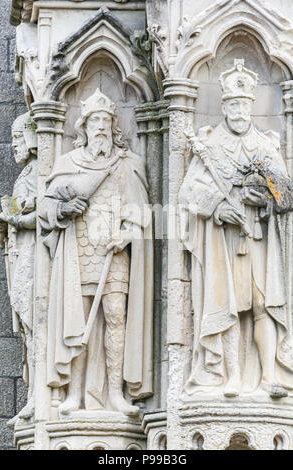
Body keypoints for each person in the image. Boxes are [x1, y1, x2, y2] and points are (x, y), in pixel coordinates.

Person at [179, 59, 293, 399]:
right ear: (225, 107)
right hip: (223, 240)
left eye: (245, 104)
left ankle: (268, 376)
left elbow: (285, 196)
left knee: (261, 303)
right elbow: (188, 192)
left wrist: (264, 198)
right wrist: (217, 207)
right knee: (227, 304)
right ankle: (231, 376)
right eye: (233, 104)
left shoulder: (265, 146)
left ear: (251, 105)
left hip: (259, 238)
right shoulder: (210, 147)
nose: (239, 110)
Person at [40, 89, 153, 416]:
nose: (101, 127)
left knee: (116, 316)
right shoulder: (68, 164)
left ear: (114, 126)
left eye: (106, 121)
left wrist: (127, 232)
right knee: (78, 318)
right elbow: (45, 208)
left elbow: (143, 210)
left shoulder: (127, 164)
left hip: (114, 254)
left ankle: (115, 394)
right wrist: (64, 209)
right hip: (79, 251)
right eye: (95, 121)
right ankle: (74, 393)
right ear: (84, 126)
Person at [0, 112, 37, 420]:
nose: (13, 146)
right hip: (19, 255)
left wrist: (16, 219)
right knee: (27, 328)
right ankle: (35, 393)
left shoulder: (39, 174)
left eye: (19, 138)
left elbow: (46, 214)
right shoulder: (26, 176)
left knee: (36, 325)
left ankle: (39, 396)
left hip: (34, 258)